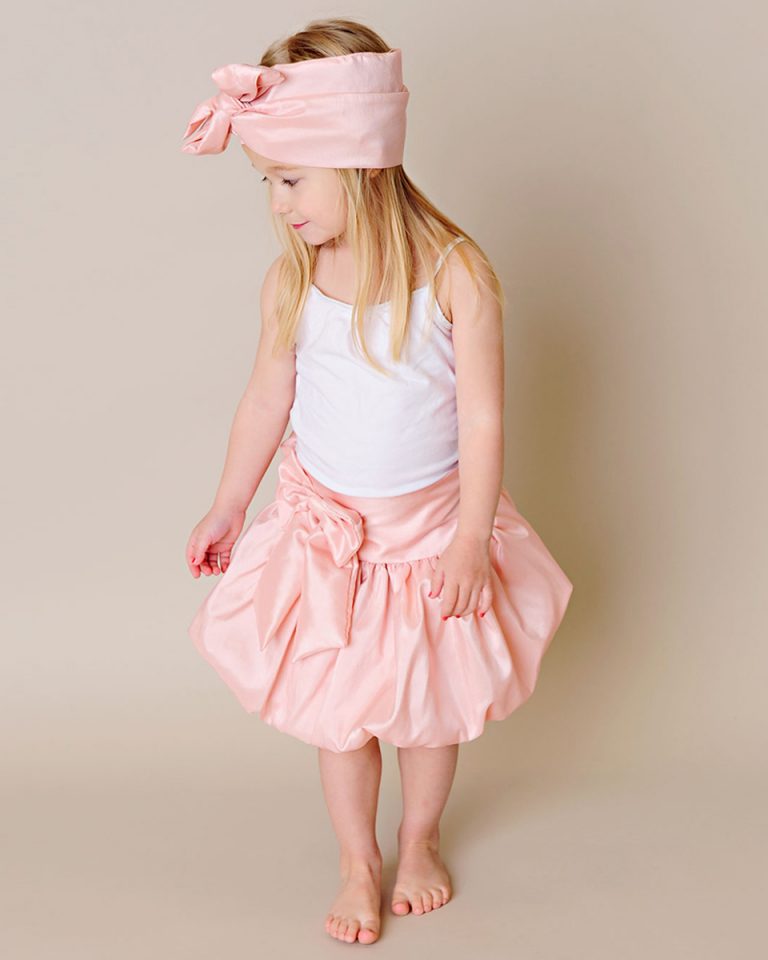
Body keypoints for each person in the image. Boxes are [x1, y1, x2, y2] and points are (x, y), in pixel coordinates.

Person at [181, 17, 574, 946]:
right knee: (341, 716)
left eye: (289, 179)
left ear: (357, 159)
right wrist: (230, 504)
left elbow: (482, 421)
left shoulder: (456, 274)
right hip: (326, 538)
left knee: (426, 711)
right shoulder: (293, 281)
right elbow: (264, 401)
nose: (278, 204)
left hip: (429, 536)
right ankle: (357, 860)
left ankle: (420, 836)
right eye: (267, 182)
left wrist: (471, 538)